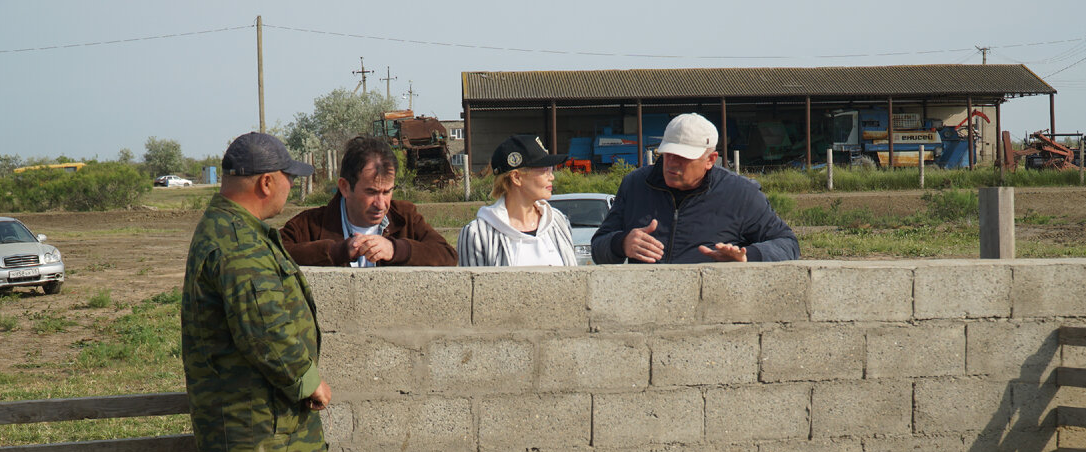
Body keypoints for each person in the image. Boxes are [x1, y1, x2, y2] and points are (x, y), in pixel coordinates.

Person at [181, 131, 330, 452]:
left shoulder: (231, 229)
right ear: (267, 182)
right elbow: (263, 329)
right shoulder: (236, 241)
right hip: (256, 436)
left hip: (257, 432)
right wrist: (306, 380)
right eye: (288, 178)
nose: (291, 187)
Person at [591, 113, 799, 264]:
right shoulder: (635, 185)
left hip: (712, 315)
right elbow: (598, 247)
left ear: (710, 160)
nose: (672, 163)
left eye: (683, 158)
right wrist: (621, 243)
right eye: (668, 154)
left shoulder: (741, 194)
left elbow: (788, 244)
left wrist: (747, 255)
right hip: (645, 312)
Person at [281, 136, 457, 267]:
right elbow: (274, 254)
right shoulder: (309, 225)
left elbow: (447, 255)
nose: (381, 204)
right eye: (371, 192)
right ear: (344, 187)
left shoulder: (406, 218)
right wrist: (337, 252)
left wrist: (396, 250)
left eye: (387, 192)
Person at [457, 134, 578, 267]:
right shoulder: (477, 234)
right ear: (516, 177)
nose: (552, 177)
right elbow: (474, 286)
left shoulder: (558, 222)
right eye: (545, 169)